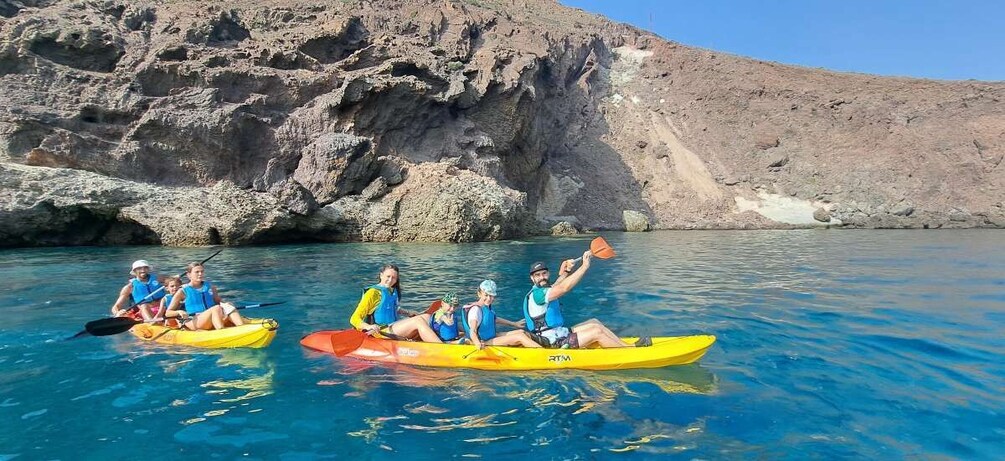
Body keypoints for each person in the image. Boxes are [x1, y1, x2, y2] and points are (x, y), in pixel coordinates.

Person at [524, 253, 651, 348]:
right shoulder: (538, 295)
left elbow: (555, 287)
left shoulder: (542, 290)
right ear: (532, 278)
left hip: (559, 333)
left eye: (544, 274)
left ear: (548, 274)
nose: (542, 277)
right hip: (552, 341)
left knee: (595, 323)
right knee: (596, 332)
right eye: (537, 275)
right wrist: (584, 267)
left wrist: (566, 271)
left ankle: (626, 346)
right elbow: (563, 288)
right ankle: (628, 352)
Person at [349, 264, 442, 343]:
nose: (390, 280)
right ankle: (442, 348)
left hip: (393, 326)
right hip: (381, 331)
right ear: (381, 275)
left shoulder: (392, 291)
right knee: (418, 321)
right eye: (388, 276)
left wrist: (408, 313)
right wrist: (368, 326)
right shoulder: (373, 293)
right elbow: (354, 318)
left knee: (426, 317)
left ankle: (446, 339)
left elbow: (393, 308)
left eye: (394, 278)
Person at [462, 280, 541, 349]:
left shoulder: (486, 307)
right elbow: (473, 330)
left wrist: (514, 324)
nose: (489, 298)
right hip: (483, 342)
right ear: (479, 294)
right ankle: (544, 354)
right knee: (520, 337)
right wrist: (477, 343)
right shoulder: (475, 310)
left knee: (522, 332)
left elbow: (494, 319)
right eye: (486, 295)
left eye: (491, 296)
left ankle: (539, 347)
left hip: (491, 337)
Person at [166, 262, 245, 331]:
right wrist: (179, 312)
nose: (200, 274)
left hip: (211, 317)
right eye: (197, 272)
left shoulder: (210, 287)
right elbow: (168, 313)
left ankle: (242, 327)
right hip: (194, 321)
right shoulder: (182, 291)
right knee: (216, 308)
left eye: (202, 271)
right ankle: (221, 330)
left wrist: (226, 304)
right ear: (189, 275)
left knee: (228, 306)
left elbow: (218, 301)